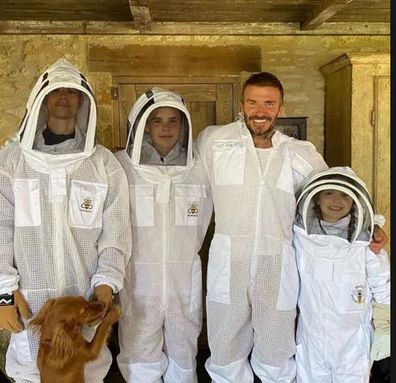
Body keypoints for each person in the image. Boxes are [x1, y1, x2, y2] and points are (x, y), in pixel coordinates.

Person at [196, 72, 388, 382]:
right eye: (253, 102)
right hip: (227, 264)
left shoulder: (300, 153)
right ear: (242, 104)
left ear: (281, 108)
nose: (260, 111)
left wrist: (372, 224)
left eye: (269, 103)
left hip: (279, 264)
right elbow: (190, 184)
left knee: (276, 350)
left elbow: (336, 190)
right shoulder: (215, 142)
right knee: (224, 348)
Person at [0, 58, 132, 383]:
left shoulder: (103, 164)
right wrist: (3, 293)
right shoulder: (12, 161)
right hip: (30, 301)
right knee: (31, 372)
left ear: (83, 102)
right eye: (56, 90)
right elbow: (0, 229)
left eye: (71, 92)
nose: (63, 96)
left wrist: (105, 284)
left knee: (87, 372)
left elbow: (115, 234)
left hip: (83, 299)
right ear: (42, 99)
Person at [116, 87, 213, 383]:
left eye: (173, 120)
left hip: (184, 279)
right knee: (138, 352)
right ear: (143, 125)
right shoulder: (121, 166)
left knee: (183, 352)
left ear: (184, 125)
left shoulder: (200, 169)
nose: (166, 127)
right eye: (156, 120)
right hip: (137, 280)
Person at [293, 166, 390, 382]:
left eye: (345, 195)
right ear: (316, 198)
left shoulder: (366, 241)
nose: (336, 201)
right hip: (311, 339)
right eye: (329, 193)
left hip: (353, 343)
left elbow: (382, 284)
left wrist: (385, 328)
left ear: (355, 201)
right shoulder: (301, 236)